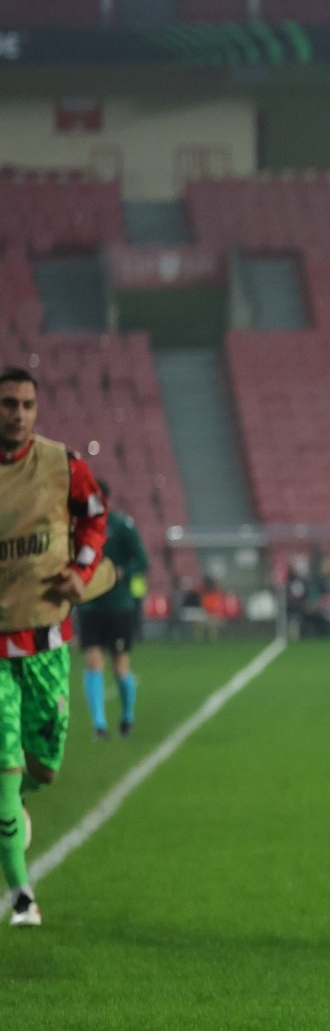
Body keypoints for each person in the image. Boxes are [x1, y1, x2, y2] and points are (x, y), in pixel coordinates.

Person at [0, 367, 112, 929]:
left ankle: (15, 808)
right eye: (6, 404)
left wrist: (80, 571)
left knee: (43, 768)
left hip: (45, 642)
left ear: (36, 410)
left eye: (24, 404)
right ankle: (22, 895)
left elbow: (95, 519)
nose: (15, 413)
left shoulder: (62, 464)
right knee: (5, 769)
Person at [75, 480, 148, 740]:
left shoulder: (121, 526)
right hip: (89, 605)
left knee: (119, 667)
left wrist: (122, 572)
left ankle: (127, 717)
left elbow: (141, 560)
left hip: (118, 606)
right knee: (93, 662)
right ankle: (99, 725)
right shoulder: (77, 529)